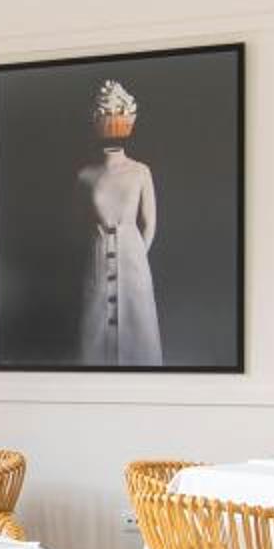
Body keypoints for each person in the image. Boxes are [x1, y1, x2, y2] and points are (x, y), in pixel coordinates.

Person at [73, 79, 163, 365]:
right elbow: (79, 222)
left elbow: (150, 222)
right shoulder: (85, 175)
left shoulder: (140, 172)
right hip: (97, 256)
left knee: (139, 330)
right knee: (95, 331)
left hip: (133, 258)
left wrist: (136, 255)